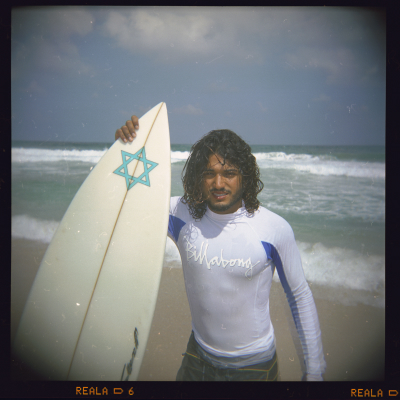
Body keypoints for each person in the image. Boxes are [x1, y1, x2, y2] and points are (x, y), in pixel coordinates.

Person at [115, 116, 326, 381]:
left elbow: (299, 296)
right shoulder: (179, 213)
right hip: (197, 359)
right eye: (209, 174)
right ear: (197, 177)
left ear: (244, 177)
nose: (218, 184)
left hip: (254, 368)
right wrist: (127, 147)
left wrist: (315, 371)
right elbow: (130, 199)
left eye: (229, 173)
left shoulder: (272, 228)